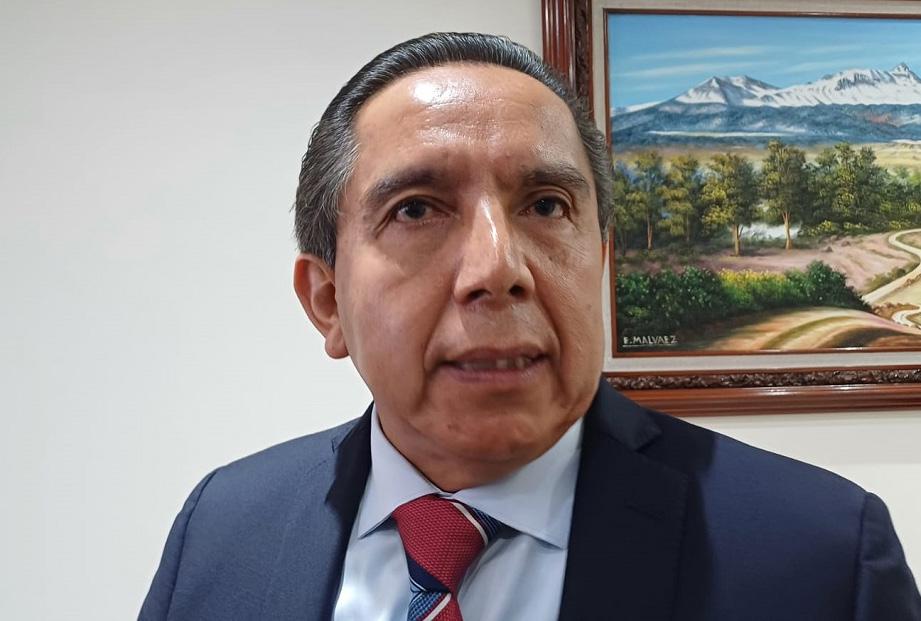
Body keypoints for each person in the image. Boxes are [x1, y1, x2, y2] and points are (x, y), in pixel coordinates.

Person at [139, 32, 921, 620]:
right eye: (416, 210)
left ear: (601, 264)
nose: (496, 268)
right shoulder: (224, 529)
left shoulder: (821, 558)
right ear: (326, 299)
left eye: (546, 205)